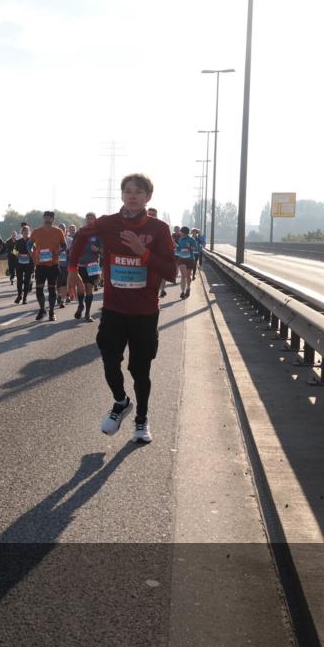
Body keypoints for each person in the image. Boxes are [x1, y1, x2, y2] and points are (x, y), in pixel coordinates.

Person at [67, 173, 176, 444]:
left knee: (140, 372)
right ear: (122, 195)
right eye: (127, 190)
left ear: (148, 197)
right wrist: (71, 269)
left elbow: (172, 272)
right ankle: (121, 401)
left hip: (145, 312)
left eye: (138, 191)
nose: (132, 195)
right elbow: (80, 237)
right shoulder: (107, 224)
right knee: (108, 360)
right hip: (114, 309)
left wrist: (143, 251)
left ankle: (141, 419)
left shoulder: (159, 229)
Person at [29, 211, 67, 321]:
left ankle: (51, 312)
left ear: (53, 219)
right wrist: (31, 252)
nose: (48, 219)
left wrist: (58, 250)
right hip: (40, 265)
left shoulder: (58, 231)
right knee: (39, 289)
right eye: (46, 217)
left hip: (53, 265)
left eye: (50, 218)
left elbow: (64, 245)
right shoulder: (36, 231)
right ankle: (42, 309)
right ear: (43, 218)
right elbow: (29, 244)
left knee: (51, 289)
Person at [75, 212, 103, 321]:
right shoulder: (81, 232)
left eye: (92, 218)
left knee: (89, 289)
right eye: (88, 218)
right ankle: (80, 305)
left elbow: (103, 250)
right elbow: (74, 248)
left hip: (92, 265)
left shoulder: (98, 234)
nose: (90, 220)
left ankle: (87, 313)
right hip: (80, 264)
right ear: (85, 220)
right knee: (80, 288)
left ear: (95, 220)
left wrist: (98, 250)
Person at [174, 226, 200, 298]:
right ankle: (182, 292)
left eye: (180, 231)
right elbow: (179, 248)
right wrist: (174, 244)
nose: (179, 232)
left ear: (184, 232)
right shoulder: (180, 239)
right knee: (183, 275)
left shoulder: (191, 239)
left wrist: (189, 247)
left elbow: (195, 249)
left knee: (188, 276)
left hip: (190, 259)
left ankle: (188, 288)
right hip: (181, 259)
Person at [13, 223, 34, 304]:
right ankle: (19, 295)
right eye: (24, 231)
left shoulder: (31, 241)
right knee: (19, 281)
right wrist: (16, 254)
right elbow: (14, 251)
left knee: (27, 281)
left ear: (29, 232)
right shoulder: (18, 241)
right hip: (20, 263)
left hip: (29, 263)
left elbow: (35, 250)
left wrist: (32, 253)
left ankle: (25, 298)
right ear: (21, 232)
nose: (25, 232)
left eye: (27, 231)